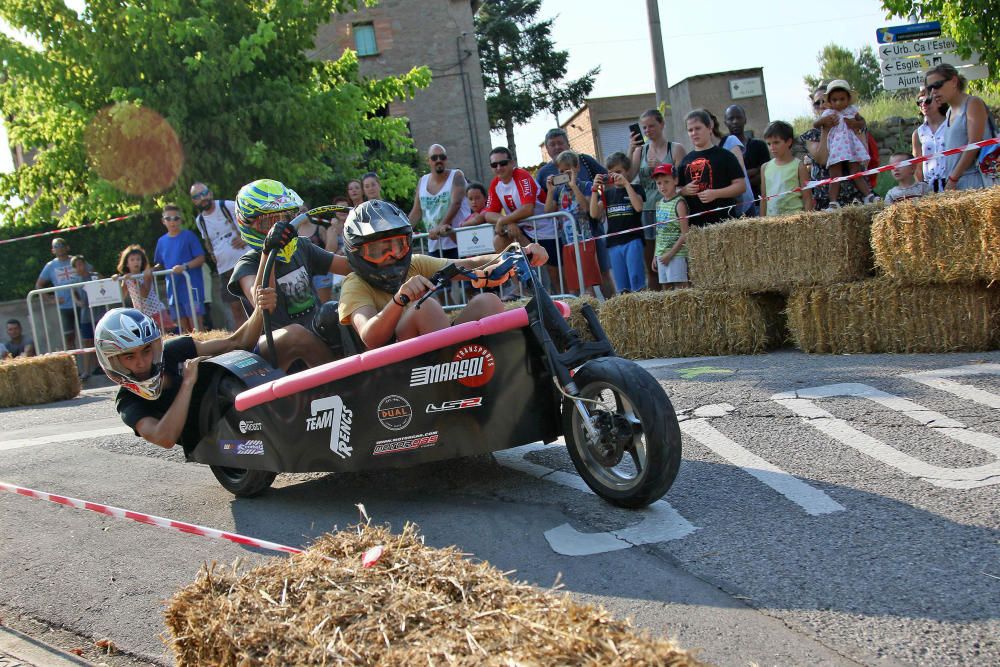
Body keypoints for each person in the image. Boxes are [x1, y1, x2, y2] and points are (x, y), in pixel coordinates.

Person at [337, 199, 549, 349]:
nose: (391, 256)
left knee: (487, 301)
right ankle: (460, 382)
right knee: (425, 307)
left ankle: (496, 373)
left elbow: (469, 263)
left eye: (397, 246)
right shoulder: (355, 284)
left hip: (432, 355)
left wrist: (519, 252)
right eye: (378, 251)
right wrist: (400, 300)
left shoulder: (415, 264)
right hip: (392, 373)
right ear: (357, 252)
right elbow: (370, 338)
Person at [96, 288, 272, 451]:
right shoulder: (127, 401)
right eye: (130, 357)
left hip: (237, 410)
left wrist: (260, 308)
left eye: (146, 351)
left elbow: (236, 343)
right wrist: (187, 383)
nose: (142, 362)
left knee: (289, 338)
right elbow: (164, 439)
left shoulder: (172, 350)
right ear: (113, 362)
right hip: (213, 443)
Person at [228, 179, 353, 368]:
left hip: (316, 332)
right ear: (247, 223)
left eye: (282, 218)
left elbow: (349, 267)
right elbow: (263, 303)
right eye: (267, 222)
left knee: (337, 311)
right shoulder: (247, 264)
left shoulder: (301, 246)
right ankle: (345, 379)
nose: (277, 226)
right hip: (274, 347)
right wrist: (268, 250)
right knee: (296, 334)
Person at [626, 109, 688, 289]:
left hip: (671, 208)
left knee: (676, 260)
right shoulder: (641, 151)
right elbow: (628, 177)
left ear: (662, 124)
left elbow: (681, 179)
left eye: (652, 125)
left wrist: (660, 167)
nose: (647, 130)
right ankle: (657, 302)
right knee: (652, 264)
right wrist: (631, 149)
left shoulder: (675, 148)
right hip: (648, 209)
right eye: (644, 127)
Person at [482, 147, 560, 289]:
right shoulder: (495, 183)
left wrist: (504, 220)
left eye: (503, 163)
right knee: (499, 240)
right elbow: (487, 214)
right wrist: (507, 222)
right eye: (494, 165)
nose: (499, 168)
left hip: (545, 228)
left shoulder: (521, 175)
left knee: (555, 276)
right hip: (524, 230)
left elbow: (528, 209)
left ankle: (562, 301)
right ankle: (519, 288)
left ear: (512, 163)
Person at [926, 63, 997, 191]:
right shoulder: (948, 113)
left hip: (978, 180)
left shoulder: (973, 103)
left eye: (937, 85)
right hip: (958, 183)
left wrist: (953, 178)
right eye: (930, 88)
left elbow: (974, 144)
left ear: (954, 81)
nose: (933, 92)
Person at [190, 182, 248, 329]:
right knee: (236, 309)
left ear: (210, 193)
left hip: (246, 263)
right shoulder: (200, 221)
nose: (202, 198)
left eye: (204, 193)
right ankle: (248, 343)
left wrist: (245, 237)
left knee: (254, 303)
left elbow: (252, 220)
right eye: (197, 196)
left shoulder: (227, 205)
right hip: (225, 270)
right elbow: (208, 242)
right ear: (193, 201)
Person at [677, 109, 746, 227]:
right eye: (690, 130)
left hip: (725, 222)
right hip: (696, 226)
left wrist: (716, 193)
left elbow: (740, 186)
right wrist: (684, 191)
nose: (694, 133)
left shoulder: (726, 156)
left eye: (698, 128)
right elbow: (675, 190)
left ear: (709, 128)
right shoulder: (685, 161)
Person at [800, 85, 865, 209]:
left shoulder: (850, 120)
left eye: (823, 101)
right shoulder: (810, 135)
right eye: (816, 103)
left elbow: (864, 156)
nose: (821, 105)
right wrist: (826, 129)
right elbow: (823, 159)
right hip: (826, 199)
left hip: (855, 195)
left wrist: (855, 126)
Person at [815, 80, 875, 207]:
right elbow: (815, 124)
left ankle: (868, 195)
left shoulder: (852, 111)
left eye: (842, 99)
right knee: (835, 174)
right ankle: (833, 201)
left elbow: (862, 122)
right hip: (837, 147)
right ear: (830, 101)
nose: (838, 103)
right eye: (835, 100)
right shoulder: (829, 113)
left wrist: (855, 124)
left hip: (851, 145)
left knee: (856, 171)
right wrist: (824, 121)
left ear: (848, 99)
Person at [590, 152, 645, 293]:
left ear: (627, 171)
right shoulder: (608, 194)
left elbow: (638, 207)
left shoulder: (636, 188)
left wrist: (626, 184)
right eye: (611, 173)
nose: (615, 176)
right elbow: (594, 213)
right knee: (622, 287)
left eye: (618, 172)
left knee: (636, 280)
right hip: (614, 243)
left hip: (633, 240)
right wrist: (595, 190)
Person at [408, 144, 470, 261]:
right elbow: (416, 212)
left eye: (442, 157)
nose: (438, 160)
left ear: (446, 159)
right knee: (438, 279)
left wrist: (440, 227)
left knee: (467, 278)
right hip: (435, 245)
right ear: (428, 161)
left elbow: (456, 203)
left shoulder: (456, 175)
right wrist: (402, 232)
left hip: (458, 242)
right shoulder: (422, 181)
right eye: (434, 158)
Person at [154, 204, 206, 333]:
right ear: (163, 221)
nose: (172, 222)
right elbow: (159, 264)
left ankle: (205, 350)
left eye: (176, 218)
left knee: (196, 325)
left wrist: (184, 267)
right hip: (173, 291)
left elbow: (201, 258)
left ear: (181, 219)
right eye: (168, 218)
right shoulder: (161, 241)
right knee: (182, 329)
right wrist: (147, 271)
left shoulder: (189, 236)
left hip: (191, 287)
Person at [35, 237, 89, 350]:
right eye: (56, 246)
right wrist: (51, 300)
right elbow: (39, 285)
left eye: (61, 245)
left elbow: (91, 273)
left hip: (81, 304)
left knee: (87, 337)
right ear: (52, 250)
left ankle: (93, 366)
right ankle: (73, 366)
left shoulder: (76, 261)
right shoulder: (50, 266)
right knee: (69, 338)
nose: (59, 248)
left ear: (67, 247)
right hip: (64, 307)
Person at [115, 244, 175, 332]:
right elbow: (121, 296)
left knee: (163, 336)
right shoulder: (127, 278)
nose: (136, 262)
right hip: (141, 315)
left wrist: (135, 280)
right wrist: (118, 279)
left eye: (138, 259)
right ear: (127, 263)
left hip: (156, 312)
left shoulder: (146, 275)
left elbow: (145, 294)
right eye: (132, 260)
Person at [760, 121, 814, 217]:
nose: (772, 147)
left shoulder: (799, 166)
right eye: (768, 144)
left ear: (789, 142)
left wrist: (808, 222)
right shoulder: (765, 168)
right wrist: (761, 223)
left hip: (795, 220)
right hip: (772, 221)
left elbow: (807, 198)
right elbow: (764, 198)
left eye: (776, 142)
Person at [651, 164, 690, 290]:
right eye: (659, 183)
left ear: (676, 181)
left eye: (666, 182)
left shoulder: (679, 203)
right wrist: (655, 255)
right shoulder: (659, 204)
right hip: (662, 255)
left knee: (681, 289)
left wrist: (670, 254)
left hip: (676, 255)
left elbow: (685, 233)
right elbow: (659, 231)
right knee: (666, 289)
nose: (662, 186)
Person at [536, 128, 607, 196]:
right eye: (552, 145)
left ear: (568, 145)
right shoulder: (542, 173)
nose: (557, 147)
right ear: (547, 149)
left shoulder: (584, 160)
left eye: (560, 143)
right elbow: (539, 200)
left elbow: (607, 178)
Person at [710, 110, 756, 217]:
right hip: (726, 206)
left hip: (744, 203)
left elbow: (738, 172)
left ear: (711, 124)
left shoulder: (730, 141)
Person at [724, 105, 770, 202]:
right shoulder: (723, 150)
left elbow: (766, 174)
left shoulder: (758, 145)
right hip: (735, 204)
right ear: (725, 123)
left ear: (745, 120)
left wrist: (739, 182)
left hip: (759, 201)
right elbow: (725, 181)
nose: (735, 121)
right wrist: (754, 171)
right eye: (731, 119)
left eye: (738, 117)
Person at [911, 86, 949, 192]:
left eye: (927, 101)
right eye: (919, 102)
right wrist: (921, 187)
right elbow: (917, 166)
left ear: (939, 102)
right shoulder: (917, 133)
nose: (923, 104)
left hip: (953, 180)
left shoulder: (951, 125)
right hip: (930, 186)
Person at [294, 203, 333, 303]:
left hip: (322, 272)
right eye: (298, 212)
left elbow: (329, 250)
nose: (301, 214)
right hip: (305, 276)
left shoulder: (320, 228)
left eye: (304, 211)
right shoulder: (294, 234)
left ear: (309, 212)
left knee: (326, 304)